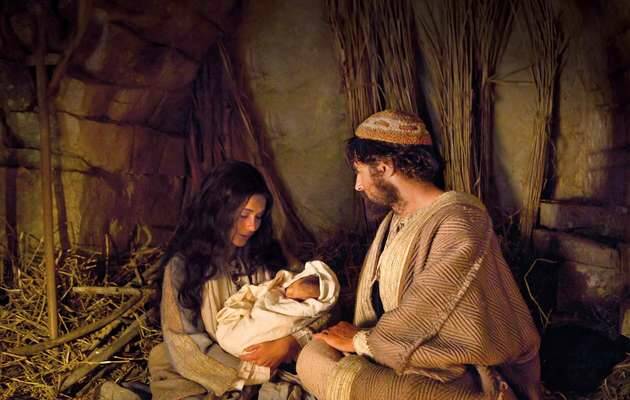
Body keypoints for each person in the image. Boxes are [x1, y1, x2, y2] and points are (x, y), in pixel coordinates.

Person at [296, 110, 542, 400]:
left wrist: (361, 341)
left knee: (414, 392)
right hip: (394, 353)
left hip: (451, 369)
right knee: (314, 355)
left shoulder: (459, 221)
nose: (358, 185)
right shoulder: (394, 220)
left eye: (360, 172)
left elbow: (430, 312)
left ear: (385, 167)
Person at [148, 160, 316, 400]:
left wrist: (288, 343)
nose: (252, 226)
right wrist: (248, 375)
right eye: (244, 215)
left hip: (278, 361)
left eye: (258, 217)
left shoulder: (271, 255)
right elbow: (184, 343)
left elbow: (320, 304)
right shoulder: (184, 266)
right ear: (218, 210)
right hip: (213, 368)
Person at [215, 260, 339, 389]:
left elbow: (322, 318)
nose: (289, 295)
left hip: (275, 353)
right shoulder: (279, 287)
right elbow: (260, 294)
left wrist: (289, 343)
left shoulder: (310, 308)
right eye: (290, 289)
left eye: (298, 300)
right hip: (235, 340)